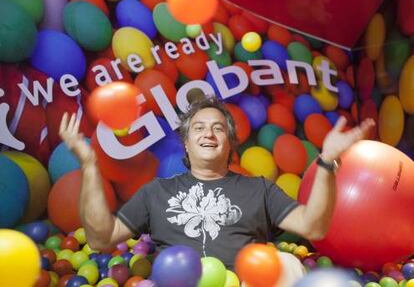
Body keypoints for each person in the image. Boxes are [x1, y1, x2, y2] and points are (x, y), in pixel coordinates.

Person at [59, 95, 375, 287]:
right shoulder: (156, 192)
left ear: (229, 142)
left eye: (218, 128)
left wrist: (326, 163)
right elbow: (100, 238)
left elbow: (313, 226)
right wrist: (89, 165)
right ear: (185, 142)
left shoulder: (259, 189)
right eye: (198, 128)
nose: (208, 133)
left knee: (289, 264)